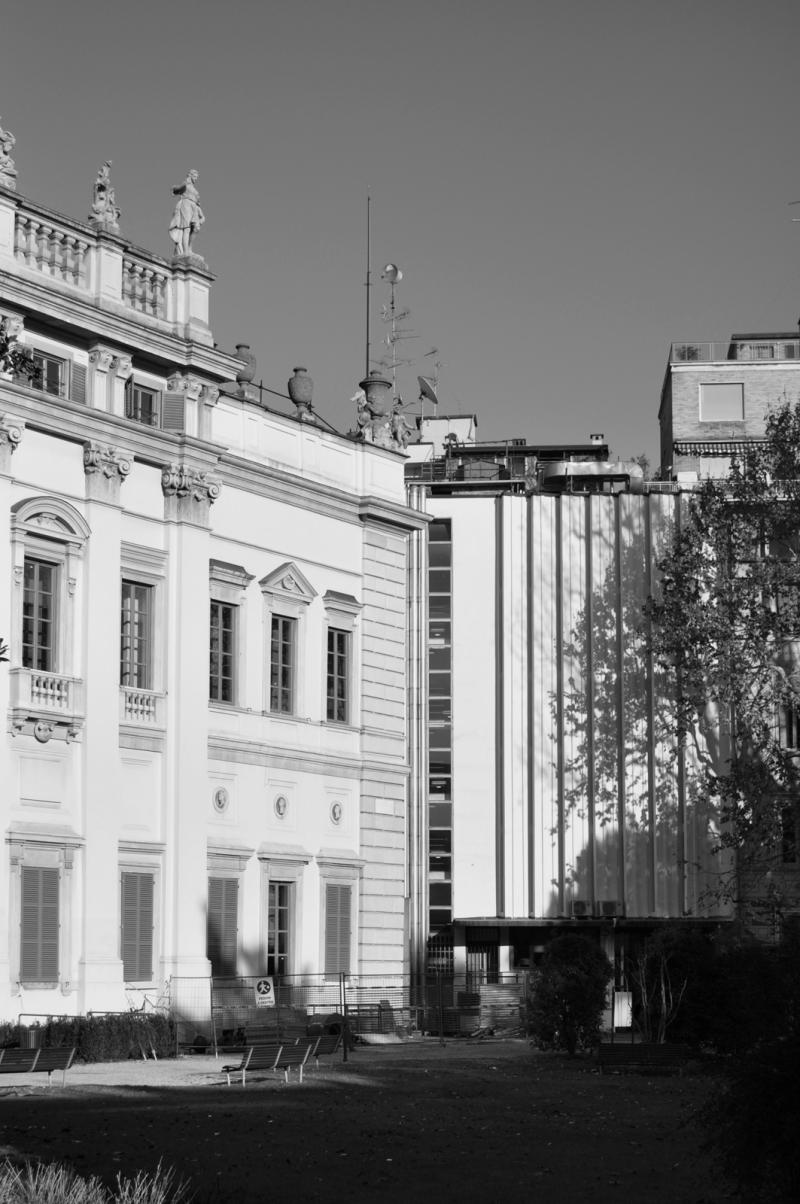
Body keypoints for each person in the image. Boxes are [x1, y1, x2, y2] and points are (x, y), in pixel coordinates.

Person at [169, 169, 204, 256]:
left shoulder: (195, 191)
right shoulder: (186, 184)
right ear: (190, 175)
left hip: (194, 207)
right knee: (186, 228)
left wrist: (202, 216)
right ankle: (186, 251)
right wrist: (177, 187)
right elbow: (175, 189)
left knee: (195, 228)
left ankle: (189, 248)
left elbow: (198, 204)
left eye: (196, 177)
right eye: (194, 176)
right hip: (186, 204)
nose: (195, 178)